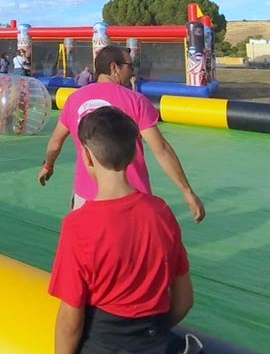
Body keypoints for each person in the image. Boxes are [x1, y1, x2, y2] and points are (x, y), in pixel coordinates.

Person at [48, 107, 202, 354]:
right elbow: (184, 300)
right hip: (157, 340)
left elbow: (70, 320)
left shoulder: (77, 225)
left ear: (86, 156)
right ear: (133, 155)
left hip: (104, 343)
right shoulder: (161, 212)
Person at [38, 45, 205, 222]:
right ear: (114, 67)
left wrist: (48, 165)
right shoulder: (136, 101)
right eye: (130, 66)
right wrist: (186, 191)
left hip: (86, 198)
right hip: (130, 198)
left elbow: (56, 142)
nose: (133, 72)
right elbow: (161, 150)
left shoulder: (74, 99)